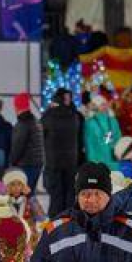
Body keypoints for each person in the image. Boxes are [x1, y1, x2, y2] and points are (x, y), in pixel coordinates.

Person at [42, 88, 82, 218]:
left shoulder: (49, 114)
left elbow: (42, 133)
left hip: (54, 160)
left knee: (56, 192)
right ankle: (69, 216)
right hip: (71, 159)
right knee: (69, 190)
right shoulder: (74, 115)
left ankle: (55, 217)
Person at [9, 93, 44, 190]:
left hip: (26, 165)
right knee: (29, 194)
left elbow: (17, 147)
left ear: (17, 106)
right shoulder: (35, 121)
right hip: (37, 163)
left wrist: (11, 163)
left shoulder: (23, 124)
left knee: (23, 196)